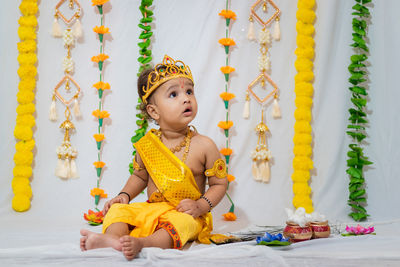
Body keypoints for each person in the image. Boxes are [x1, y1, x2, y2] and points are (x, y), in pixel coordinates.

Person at [80, 55, 228, 260]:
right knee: (118, 211)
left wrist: (200, 206)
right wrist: (124, 195)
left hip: (187, 213)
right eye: (174, 94)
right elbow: (140, 177)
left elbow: (220, 184)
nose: (186, 98)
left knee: (181, 224)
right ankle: (112, 239)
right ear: (153, 111)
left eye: (189, 92)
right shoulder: (148, 145)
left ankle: (143, 243)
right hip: (152, 209)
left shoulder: (204, 145)